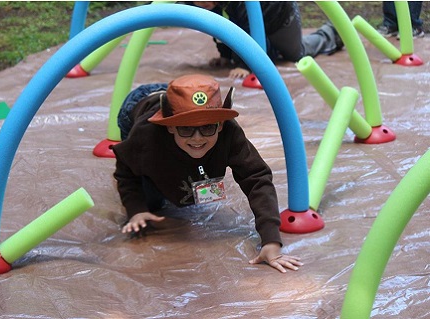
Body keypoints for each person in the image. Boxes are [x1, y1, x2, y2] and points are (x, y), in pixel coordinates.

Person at [112, 74, 302, 273]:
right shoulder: (147, 136)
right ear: (170, 126)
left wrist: (271, 241)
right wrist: (136, 209)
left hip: (184, 100)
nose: (197, 138)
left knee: (191, 174)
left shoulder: (229, 132)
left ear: (220, 125)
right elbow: (126, 170)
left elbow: (257, 178)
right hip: (140, 103)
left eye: (207, 128)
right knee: (153, 201)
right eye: (186, 129)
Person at [192, 1, 343, 79]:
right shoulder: (204, 3)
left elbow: (247, 29)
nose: (201, 1)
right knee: (240, 47)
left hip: (278, 18)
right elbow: (219, 26)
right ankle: (268, 48)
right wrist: (225, 55)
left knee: (296, 55)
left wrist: (245, 66)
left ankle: (332, 32)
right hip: (249, 20)